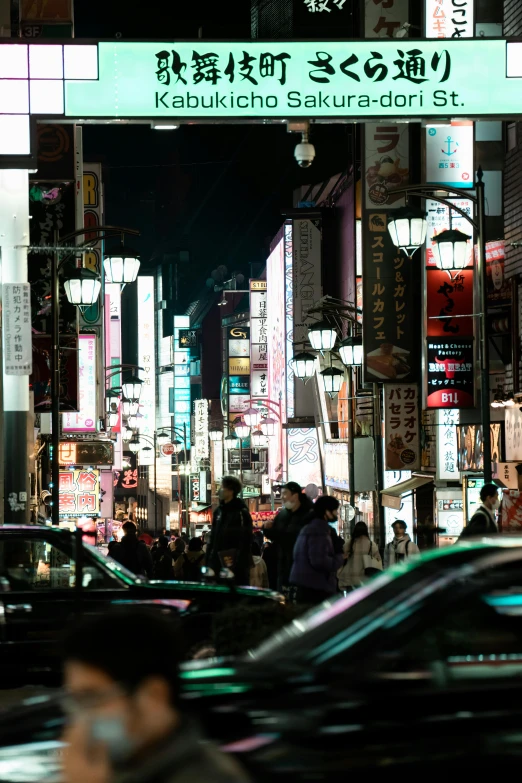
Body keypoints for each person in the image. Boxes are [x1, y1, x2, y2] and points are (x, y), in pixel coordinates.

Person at [61, 608, 250, 783]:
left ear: (154, 695)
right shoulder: (125, 766)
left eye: (91, 697)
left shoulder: (206, 777)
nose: (79, 717)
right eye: (74, 700)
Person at [289, 496, 345, 605]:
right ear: (327, 512)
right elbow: (319, 561)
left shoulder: (309, 527)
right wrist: (339, 558)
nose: (336, 514)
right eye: (335, 510)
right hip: (316, 588)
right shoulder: (319, 531)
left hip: (307, 585)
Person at [263, 481, 313, 594]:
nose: (282, 497)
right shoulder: (283, 514)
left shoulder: (309, 515)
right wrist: (267, 529)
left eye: (285, 493)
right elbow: (276, 536)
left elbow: (296, 538)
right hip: (283, 566)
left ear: (295, 496)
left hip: (302, 569)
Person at [206, 476, 253, 586]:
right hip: (217, 562)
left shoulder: (241, 512)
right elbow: (213, 537)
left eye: (222, 487)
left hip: (234, 563)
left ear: (231, 490)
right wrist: (209, 559)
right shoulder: (219, 511)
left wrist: (239, 563)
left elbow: (246, 540)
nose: (219, 491)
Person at [338, 522, 382, 591]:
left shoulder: (349, 543)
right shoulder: (371, 544)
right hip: (366, 579)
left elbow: (342, 559)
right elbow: (378, 560)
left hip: (350, 579)